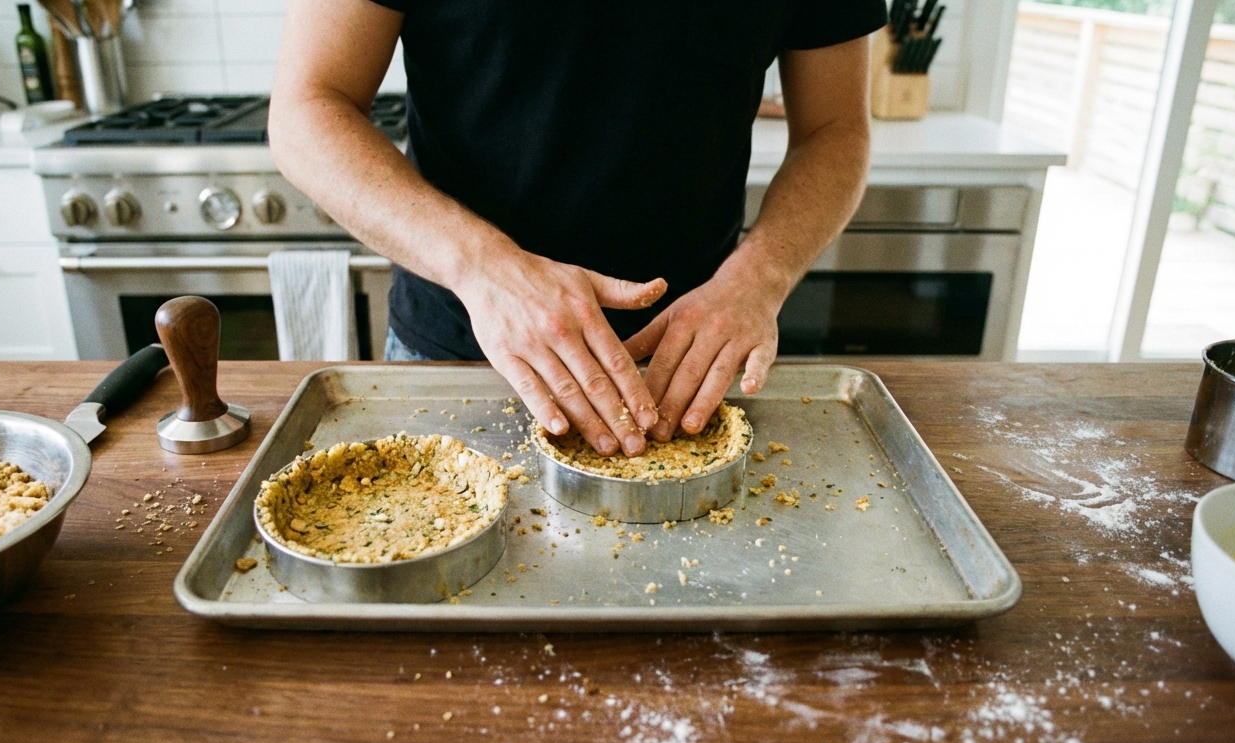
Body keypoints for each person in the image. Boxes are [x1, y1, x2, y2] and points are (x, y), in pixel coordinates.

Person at [269, 0, 886, 458]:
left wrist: (761, 276)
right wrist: (488, 269)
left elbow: (834, 129)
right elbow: (309, 106)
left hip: (693, 367)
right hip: (467, 351)